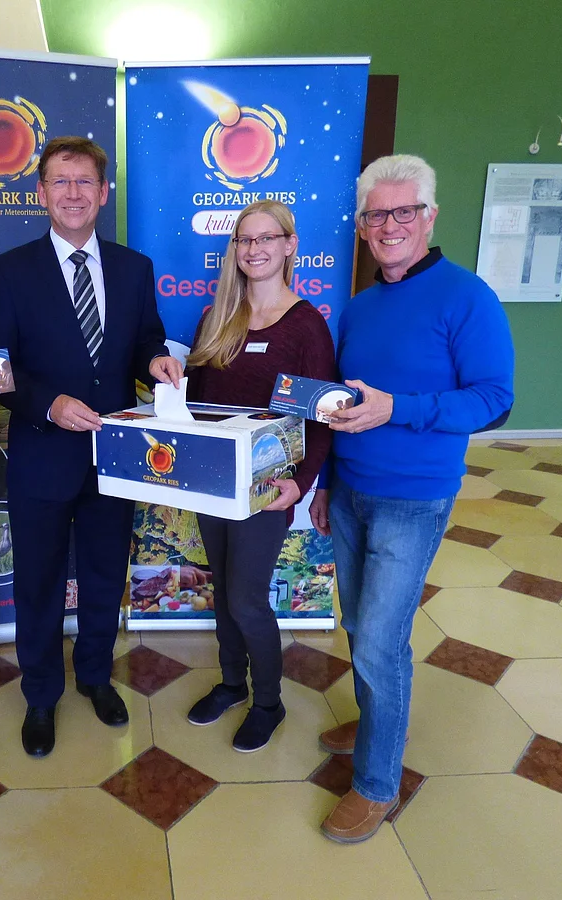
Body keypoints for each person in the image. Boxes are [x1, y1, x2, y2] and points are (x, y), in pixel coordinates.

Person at [309, 155, 514, 843]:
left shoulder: (467, 296)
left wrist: (402, 408)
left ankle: (375, 784)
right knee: (361, 631)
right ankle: (376, 724)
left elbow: (494, 400)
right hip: (349, 493)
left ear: (429, 217)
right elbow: (343, 407)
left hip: (413, 498)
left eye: (404, 212)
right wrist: (326, 483)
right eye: (377, 215)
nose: (390, 226)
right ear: (362, 226)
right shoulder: (359, 309)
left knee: (382, 643)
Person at [0, 136, 182, 758]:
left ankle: (94, 675)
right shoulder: (10, 271)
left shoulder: (132, 267)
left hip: (115, 457)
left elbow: (147, 336)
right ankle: (41, 695)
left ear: (103, 192)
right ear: (41, 193)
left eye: (84, 182)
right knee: (37, 581)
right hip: (42, 455)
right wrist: (48, 404)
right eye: (60, 182)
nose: (72, 193)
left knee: (101, 574)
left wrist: (157, 361)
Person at [183, 200, 337, 752]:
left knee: (247, 597)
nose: (254, 249)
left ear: (289, 246)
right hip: (212, 482)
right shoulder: (217, 318)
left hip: (269, 488)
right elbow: (196, 405)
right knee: (223, 593)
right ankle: (230, 684)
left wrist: (302, 483)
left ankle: (268, 703)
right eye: (244, 241)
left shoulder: (306, 326)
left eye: (266, 239)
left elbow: (322, 417)